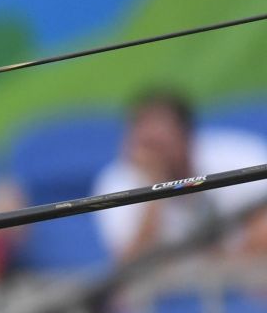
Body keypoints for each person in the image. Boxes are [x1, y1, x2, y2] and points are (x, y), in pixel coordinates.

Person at [92, 90, 267, 263]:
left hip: (243, 271)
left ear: (187, 137)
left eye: (159, 144)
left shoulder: (237, 155)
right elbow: (128, 266)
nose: (152, 155)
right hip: (170, 283)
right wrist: (154, 188)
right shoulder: (117, 183)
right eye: (144, 144)